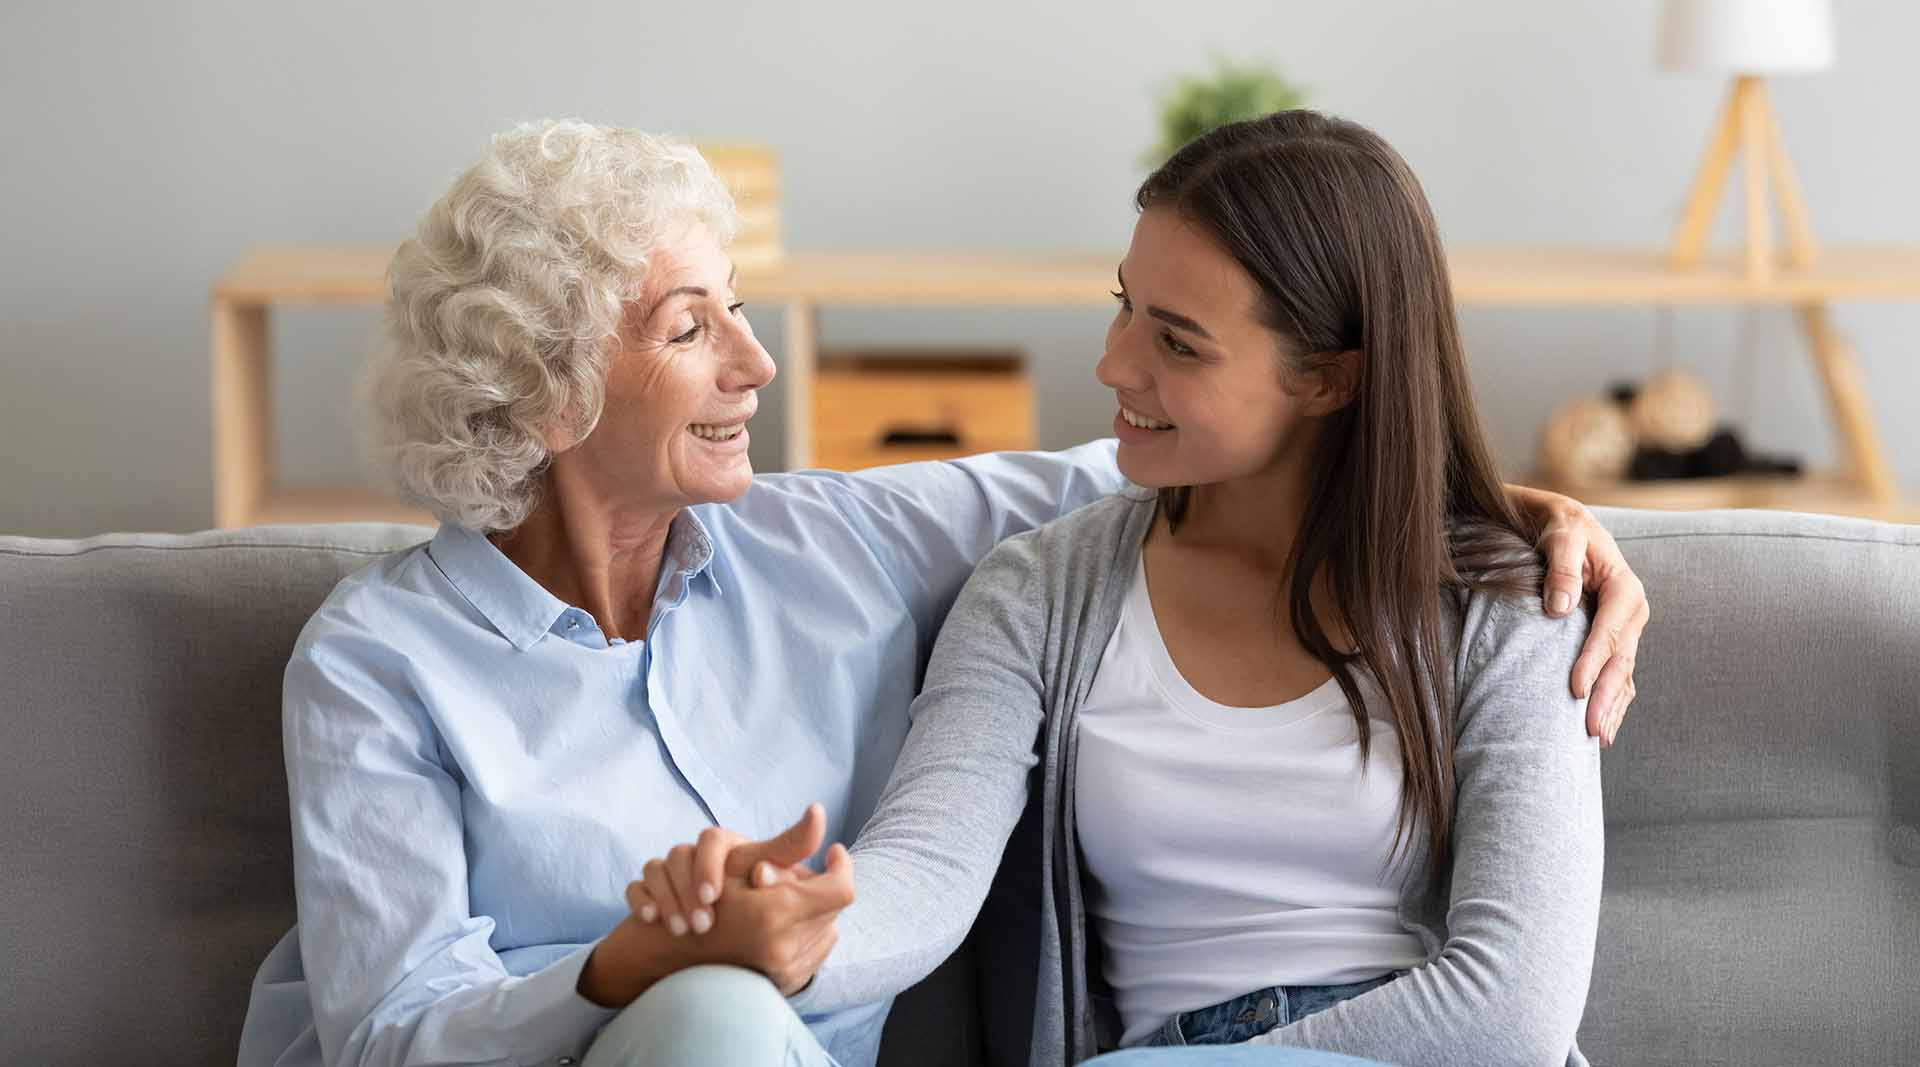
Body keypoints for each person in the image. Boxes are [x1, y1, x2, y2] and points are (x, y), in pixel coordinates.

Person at [236, 118, 1647, 1067]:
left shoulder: (838, 543)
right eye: (690, 325)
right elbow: (393, 1028)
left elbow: (1188, 454)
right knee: (714, 1013)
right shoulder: (383, 659)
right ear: (543, 388)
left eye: (739, 304)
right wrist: (657, 957)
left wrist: (1495, 508)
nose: (757, 363)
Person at [631, 112, 1620, 1066]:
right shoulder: (1040, 592)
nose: (1113, 363)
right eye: (1124, 305)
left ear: (1329, 379)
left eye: (1178, 342)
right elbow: (925, 875)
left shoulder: (1512, 603)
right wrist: (786, 926)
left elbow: (1513, 1009)